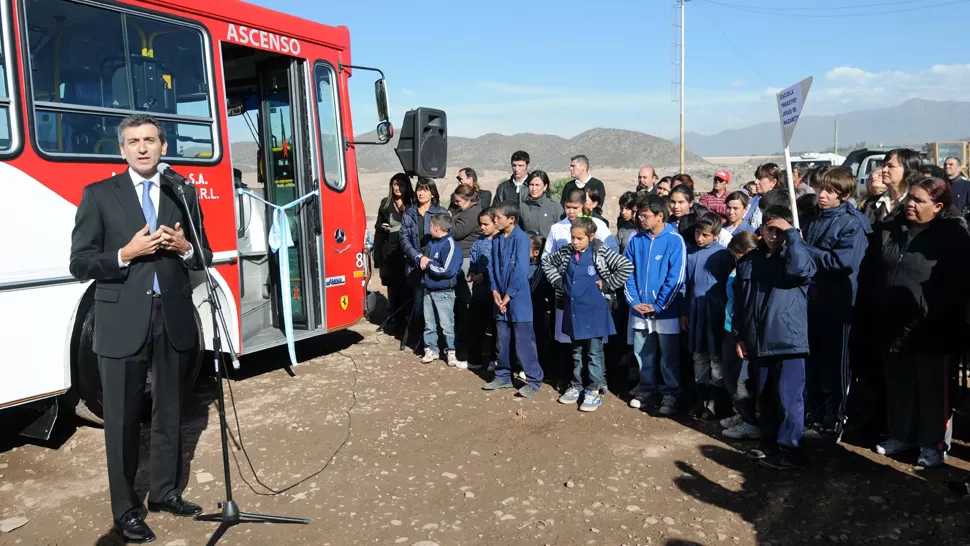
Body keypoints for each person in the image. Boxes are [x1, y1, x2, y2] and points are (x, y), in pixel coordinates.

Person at [69, 114, 212, 543]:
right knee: (122, 422)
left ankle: (165, 492)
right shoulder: (98, 195)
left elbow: (203, 252)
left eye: (150, 139)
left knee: (170, 411)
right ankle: (126, 510)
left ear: (163, 146)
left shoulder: (181, 192)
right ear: (123, 150)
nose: (143, 147)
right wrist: (124, 254)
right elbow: (79, 263)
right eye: (134, 141)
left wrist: (186, 248)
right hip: (121, 321)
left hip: (171, 317)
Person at [865, 177, 970, 468]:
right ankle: (902, 434)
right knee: (900, 384)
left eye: (919, 201)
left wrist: (930, 313)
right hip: (892, 324)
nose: (910, 204)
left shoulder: (952, 236)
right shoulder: (893, 230)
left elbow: (958, 284)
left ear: (938, 207)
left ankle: (933, 443)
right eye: (910, 198)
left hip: (932, 328)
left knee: (932, 388)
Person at [734, 205, 816, 470]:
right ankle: (769, 446)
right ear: (760, 230)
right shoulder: (749, 261)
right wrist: (740, 336)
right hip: (758, 341)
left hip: (787, 342)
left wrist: (793, 236)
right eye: (769, 229)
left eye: (779, 231)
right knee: (765, 398)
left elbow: (802, 271)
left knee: (789, 400)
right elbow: (740, 303)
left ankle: (792, 452)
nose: (773, 235)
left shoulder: (795, 257)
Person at [800, 167, 872, 441]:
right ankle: (815, 413)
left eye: (830, 191)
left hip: (838, 303)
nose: (823, 194)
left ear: (844, 195)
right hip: (813, 300)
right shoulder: (813, 218)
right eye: (821, 188)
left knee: (836, 365)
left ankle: (835, 419)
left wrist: (805, 247)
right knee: (814, 361)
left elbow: (841, 262)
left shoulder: (853, 224)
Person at [542, 217, 633, 412]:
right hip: (574, 311)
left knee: (594, 352)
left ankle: (595, 388)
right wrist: (558, 281)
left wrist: (608, 283)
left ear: (591, 237)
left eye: (579, 238)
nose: (575, 242)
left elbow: (626, 267)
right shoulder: (566, 252)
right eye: (573, 237)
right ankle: (577, 385)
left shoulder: (600, 252)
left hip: (594, 311)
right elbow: (547, 263)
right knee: (576, 351)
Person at [624, 193, 687, 416]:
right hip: (640, 310)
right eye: (640, 215)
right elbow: (627, 273)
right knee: (643, 353)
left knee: (669, 357)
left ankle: (671, 393)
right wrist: (634, 302)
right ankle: (647, 388)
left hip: (666, 312)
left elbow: (676, 278)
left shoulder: (674, 240)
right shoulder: (636, 240)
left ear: (660, 216)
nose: (641, 219)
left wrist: (659, 306)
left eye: (646, 215)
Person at [482, 203, 545, 398]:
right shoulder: (498, 239)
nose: (495, 221)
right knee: (502, 338)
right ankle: (503, 376)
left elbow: (520, 270)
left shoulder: (522, 239)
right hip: (500, 298)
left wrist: (508, 295)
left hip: (517, 299)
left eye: (498, 218)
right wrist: (494, 290)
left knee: (524, 341)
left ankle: (534, 380)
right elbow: (492, 265)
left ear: (511, 219)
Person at [683, 212, 734, 420]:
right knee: (698, 356)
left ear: (715, 235)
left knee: (715, 359)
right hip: (695, 311)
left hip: (714, 312)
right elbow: (686, 286)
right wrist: (684, 313)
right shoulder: (690, 253)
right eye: (697, 233)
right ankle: (700, 400)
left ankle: (715, 404)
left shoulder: (722, 254)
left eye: (705, 235)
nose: (700, 238)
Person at [719, 231, 761, 440]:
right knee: (729, 376)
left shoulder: (751, 273)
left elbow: (745, 307)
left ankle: (751, 422)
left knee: (739, 381)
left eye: (737, 254)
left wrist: (740, 336)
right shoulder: (740, 269)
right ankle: (742, 415)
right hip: (730, 328)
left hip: (740, 333)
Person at [400, 179, 448, 349]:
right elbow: (404, 239)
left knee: (438, 306)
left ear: (432, 193)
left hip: (435, 264)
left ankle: (441, 342)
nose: (421, 193)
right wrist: (418, 257)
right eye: (419, 189)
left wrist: (430, 259)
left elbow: (446, 238)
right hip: (416, 265)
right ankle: (423, 342)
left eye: (425, 190)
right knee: (420, 306)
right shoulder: (409, 213)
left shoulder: (440, 212)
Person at [418, 213, 466, 368]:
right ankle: (431, 349)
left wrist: (429, 265)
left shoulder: (450, 245)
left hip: (444, 292)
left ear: (437, 227)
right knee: (429, 323)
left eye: (431, 225)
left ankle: (450, 351)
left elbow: (447, 270)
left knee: (446, 324)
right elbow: (425, 259)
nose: (429, 228)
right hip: (428, 289)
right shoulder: (433, 242)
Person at [374, 173, 414, 333]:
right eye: (394, 184)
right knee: (393, 287)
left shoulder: (413, 203)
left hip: (407, 251)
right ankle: (396, 320)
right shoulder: (386, 203)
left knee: (408, 286)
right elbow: (377, 226)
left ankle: (409, 320)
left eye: (401, 185)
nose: (397, 188)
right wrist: (382, 227)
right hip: (390, 252)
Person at [451, 184, 484, 361]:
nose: (456, 204)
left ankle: (466, 340)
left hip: (466, 257)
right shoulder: (468, 211)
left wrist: (449, 220)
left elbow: (457, 232)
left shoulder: (472, 214)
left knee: (465, 300)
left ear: (469, 200)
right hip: (463, 256)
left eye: (458, 201)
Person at [467, 209, 498, 370]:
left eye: (486, 224)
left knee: (495, 329)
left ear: (496, 223)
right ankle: (475, 359)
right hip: (479, 292)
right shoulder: (478, 242)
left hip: (494, 293)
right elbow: (473, 261)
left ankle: (494, 359)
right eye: (480, 224)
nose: (482, 227)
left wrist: (484, 275)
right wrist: (472, 273)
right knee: (476, 326)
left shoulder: (500, 242)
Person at [878, 148, 922, 220]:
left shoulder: (917, 203)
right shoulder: (872, 204)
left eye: (891, 166)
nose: (884, 170)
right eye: (884, 166)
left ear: (908, 169)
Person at [519, 170, 564, 237]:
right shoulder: (523, 207)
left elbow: (561, 232)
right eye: (531, 185)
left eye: (537, 185)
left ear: (545, 187)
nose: (534, 188)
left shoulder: (555, 207)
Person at [746, 163, 783, 229]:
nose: (756, 182)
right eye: (756, 178)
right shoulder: (755, 200)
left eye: (760, 178)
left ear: (773, 182)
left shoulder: (781, 202)